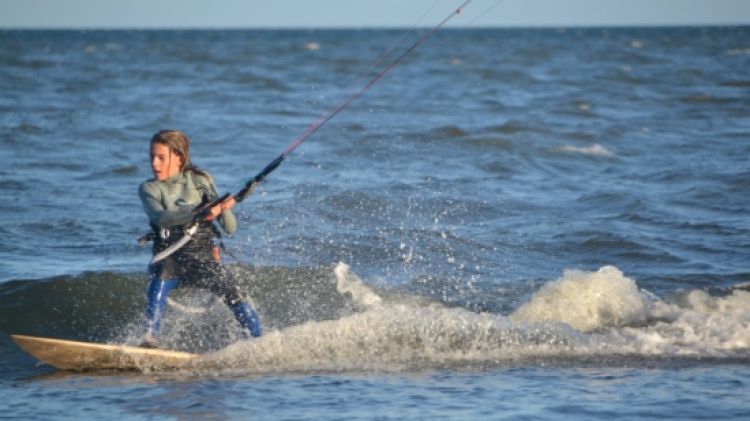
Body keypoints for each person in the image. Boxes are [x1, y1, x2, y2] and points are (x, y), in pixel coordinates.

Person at [138, 130, 261, 348]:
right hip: (170, 257)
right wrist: (198, 212)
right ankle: (150, 338)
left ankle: (258, 341)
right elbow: (161, 217)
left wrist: (222, 209)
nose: (155, 164)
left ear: (179, 157)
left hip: (202, 258)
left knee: (233, 289)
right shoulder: (149, 188)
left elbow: (230, 228)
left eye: (161, 158)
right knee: (160, 276)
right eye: (152, 157)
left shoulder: (200, 181)